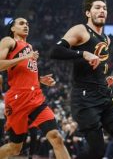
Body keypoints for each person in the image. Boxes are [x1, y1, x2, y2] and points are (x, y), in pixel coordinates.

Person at [49, 0, 113, 159]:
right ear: (88, 13)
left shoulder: (106, 38)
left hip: (104, 95)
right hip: (84, 98)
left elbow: (95, 66)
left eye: (104, 8)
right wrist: (83, 53)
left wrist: (104, 79)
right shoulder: (81, 30)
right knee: (97, 151)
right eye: (97, 8)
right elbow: (55, 51)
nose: (102, 11)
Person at [0, 17, 69, 158]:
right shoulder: (9, 41)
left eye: (27, 23)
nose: (26, 26)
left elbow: (24, 72)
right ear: (12, 28)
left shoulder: (29, 47)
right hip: (17, 100)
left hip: (35, 98)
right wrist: (24, 58)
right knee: (15, 148)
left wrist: (40, 79)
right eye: (21, 23)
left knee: (56, 138)